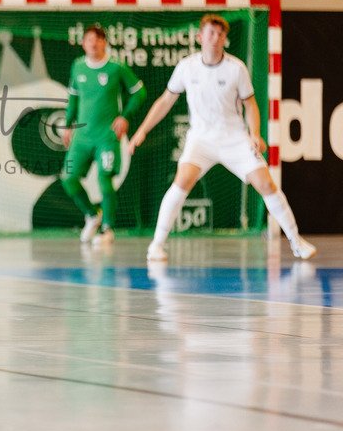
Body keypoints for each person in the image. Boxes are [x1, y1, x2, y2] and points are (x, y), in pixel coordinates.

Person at [129, 14, 316, 262]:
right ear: (200, 37)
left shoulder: (236, 68)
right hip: (201, 140)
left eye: (220, 34)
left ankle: (296, 241)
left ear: (225, 39)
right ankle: (157, 245)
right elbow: (165, 101)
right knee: (182, 180)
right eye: (210, 33)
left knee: (266, 184)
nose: (215, 38)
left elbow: (251, 105)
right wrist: (142, 130)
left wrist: (255, 134)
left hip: (234, 139)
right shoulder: (186, 67)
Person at [61, 25, 147, 246]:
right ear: (83, 43)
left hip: (106, 137)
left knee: (104, 181)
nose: (93, 43)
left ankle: (107, 228)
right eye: (89, 39)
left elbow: (140, 92)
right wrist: (68, 125)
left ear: (104, 43)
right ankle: (92, 215)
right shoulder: (77, 66)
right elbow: (73, 98)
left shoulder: (116, 67)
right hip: (81, 138)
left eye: (98, 39)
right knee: (68, 178)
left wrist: (125, 116)